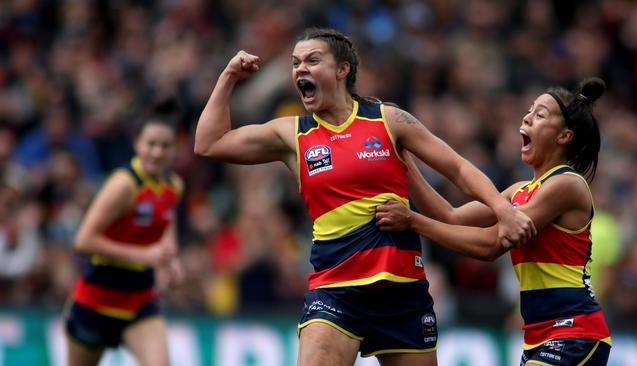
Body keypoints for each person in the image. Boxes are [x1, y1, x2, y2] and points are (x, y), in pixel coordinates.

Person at [194, 27, 534, 366]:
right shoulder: (293, 133)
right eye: (295, 62)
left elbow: (458, 168)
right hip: (336, 292)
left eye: (313, 60)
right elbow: (209, 143)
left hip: (403, 293)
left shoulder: (388, 119)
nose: (300, 69)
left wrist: (503, 210)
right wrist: (228, 76)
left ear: (342, 70)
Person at [376, 77, 612, 365]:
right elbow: (449, 215)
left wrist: (413, 222)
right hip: (539, 337)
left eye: (540, 114)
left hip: (576, 333)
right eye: (529, 110)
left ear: (564, 137)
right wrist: (402, 153)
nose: (527, 117)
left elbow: (491, 245)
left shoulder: (567, 185)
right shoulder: (517, 191)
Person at [64, 100, 184, 366]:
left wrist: (170, 259)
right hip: (96, 300)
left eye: (165, 146)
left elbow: (166, 222)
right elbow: (83, 241)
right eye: (150, 144)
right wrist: (144, 254)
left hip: (140, 301)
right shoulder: (124, 185)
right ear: (137, 144)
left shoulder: (173, 185)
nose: (157, 152)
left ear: (175, 149)